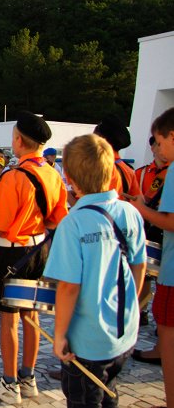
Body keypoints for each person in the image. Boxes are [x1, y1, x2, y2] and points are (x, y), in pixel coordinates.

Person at [44, 134, 146, 407]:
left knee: (85, 399)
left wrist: (60, 335)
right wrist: (130, 306)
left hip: (86, 340)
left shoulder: (73, 223)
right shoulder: (130, 212)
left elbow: (68, 287)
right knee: (108, 390)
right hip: (124, 333)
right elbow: (139, 265)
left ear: (71, 179)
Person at [0, 111, 68, 404]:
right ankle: (28, 378)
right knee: (32, 317)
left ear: (18, 140)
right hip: (40, 251)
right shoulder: (53, 175)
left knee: (10, 320)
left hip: (13, 252)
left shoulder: (13, 176)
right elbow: (58, 219)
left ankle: (9, 383)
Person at [129, 107, 174, 408]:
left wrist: (141, 208)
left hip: (171, 268)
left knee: (168, 333)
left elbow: (170, 220)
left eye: (160, 140)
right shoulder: (144, 172)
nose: (158, 147)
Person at [94, 114, 141, 201]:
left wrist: (68, 194)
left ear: (103, 139)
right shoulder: (128, 170)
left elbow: (88, 208)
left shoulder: (102, 169)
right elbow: (138, 201)